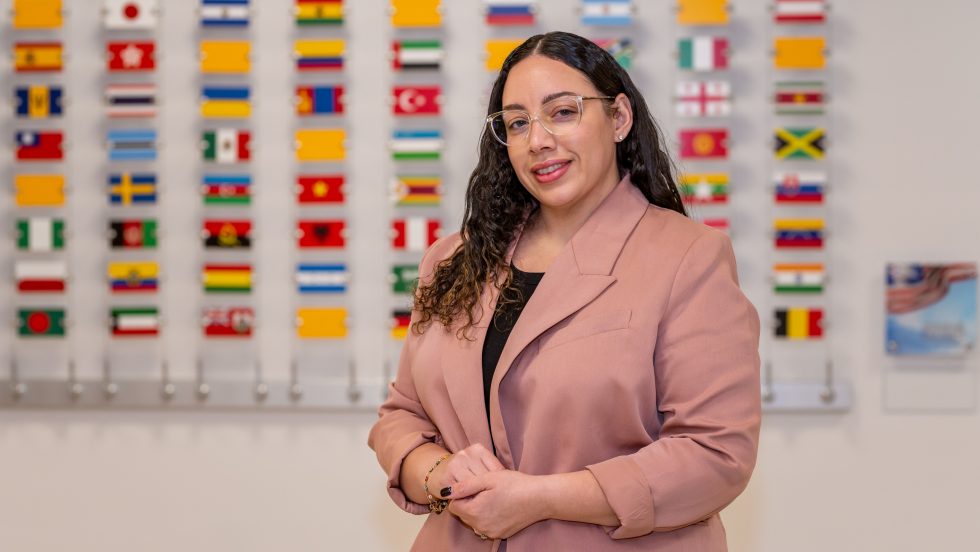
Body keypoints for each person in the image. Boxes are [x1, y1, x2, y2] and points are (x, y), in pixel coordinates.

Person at [368, 31, 761, 551]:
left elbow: (715, 454)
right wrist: (443, 473)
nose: (538, 141)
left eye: (563, 112)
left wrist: (541, 497)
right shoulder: (454, 258)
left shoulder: (688, 257)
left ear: (619, 118)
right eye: (518, 123)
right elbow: (402, 417)